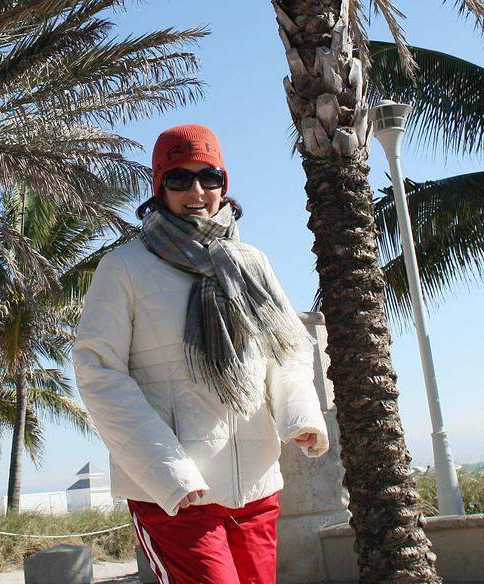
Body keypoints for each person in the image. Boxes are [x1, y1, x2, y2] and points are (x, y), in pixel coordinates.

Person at [73, 124, 329, 584]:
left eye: (209, 177)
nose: (196, 191)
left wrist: (299, 415)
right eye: (179, 178)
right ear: (159, 187)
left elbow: (288, 350)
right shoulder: (124, 268)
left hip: (254, 484)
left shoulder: (251, 261)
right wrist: (168, 472)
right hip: (178, 493)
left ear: (223, 185)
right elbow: (98, 374)